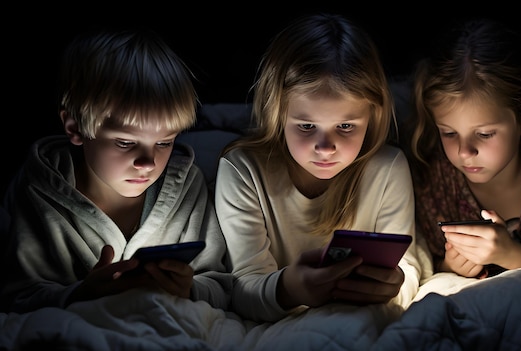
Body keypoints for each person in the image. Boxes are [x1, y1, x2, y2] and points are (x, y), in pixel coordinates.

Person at [214, 13, 431, 322]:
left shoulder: (387, 168)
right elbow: (243, 286)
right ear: (278, 113)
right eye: (306, 126)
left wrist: (393, 287)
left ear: (372, 116)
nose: (325, 147)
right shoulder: (242, 171)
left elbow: (406, 268)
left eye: (345, 126)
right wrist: (289, 290)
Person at [0, 28, 232, 313]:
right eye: (125, 142)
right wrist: (81, 294)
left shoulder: (188, 186)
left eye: (164, 142)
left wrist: (190, 289)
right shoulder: (37, 191)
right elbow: (16, 296)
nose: (148, 162)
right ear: (75, 128)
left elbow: (221, 286)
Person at [402, 18, 521, 278]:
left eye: (484, 134)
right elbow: (427, 264)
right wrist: (449, 267)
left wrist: (509, 254)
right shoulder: (433, 181)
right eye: (449, 133)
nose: (464, 152)